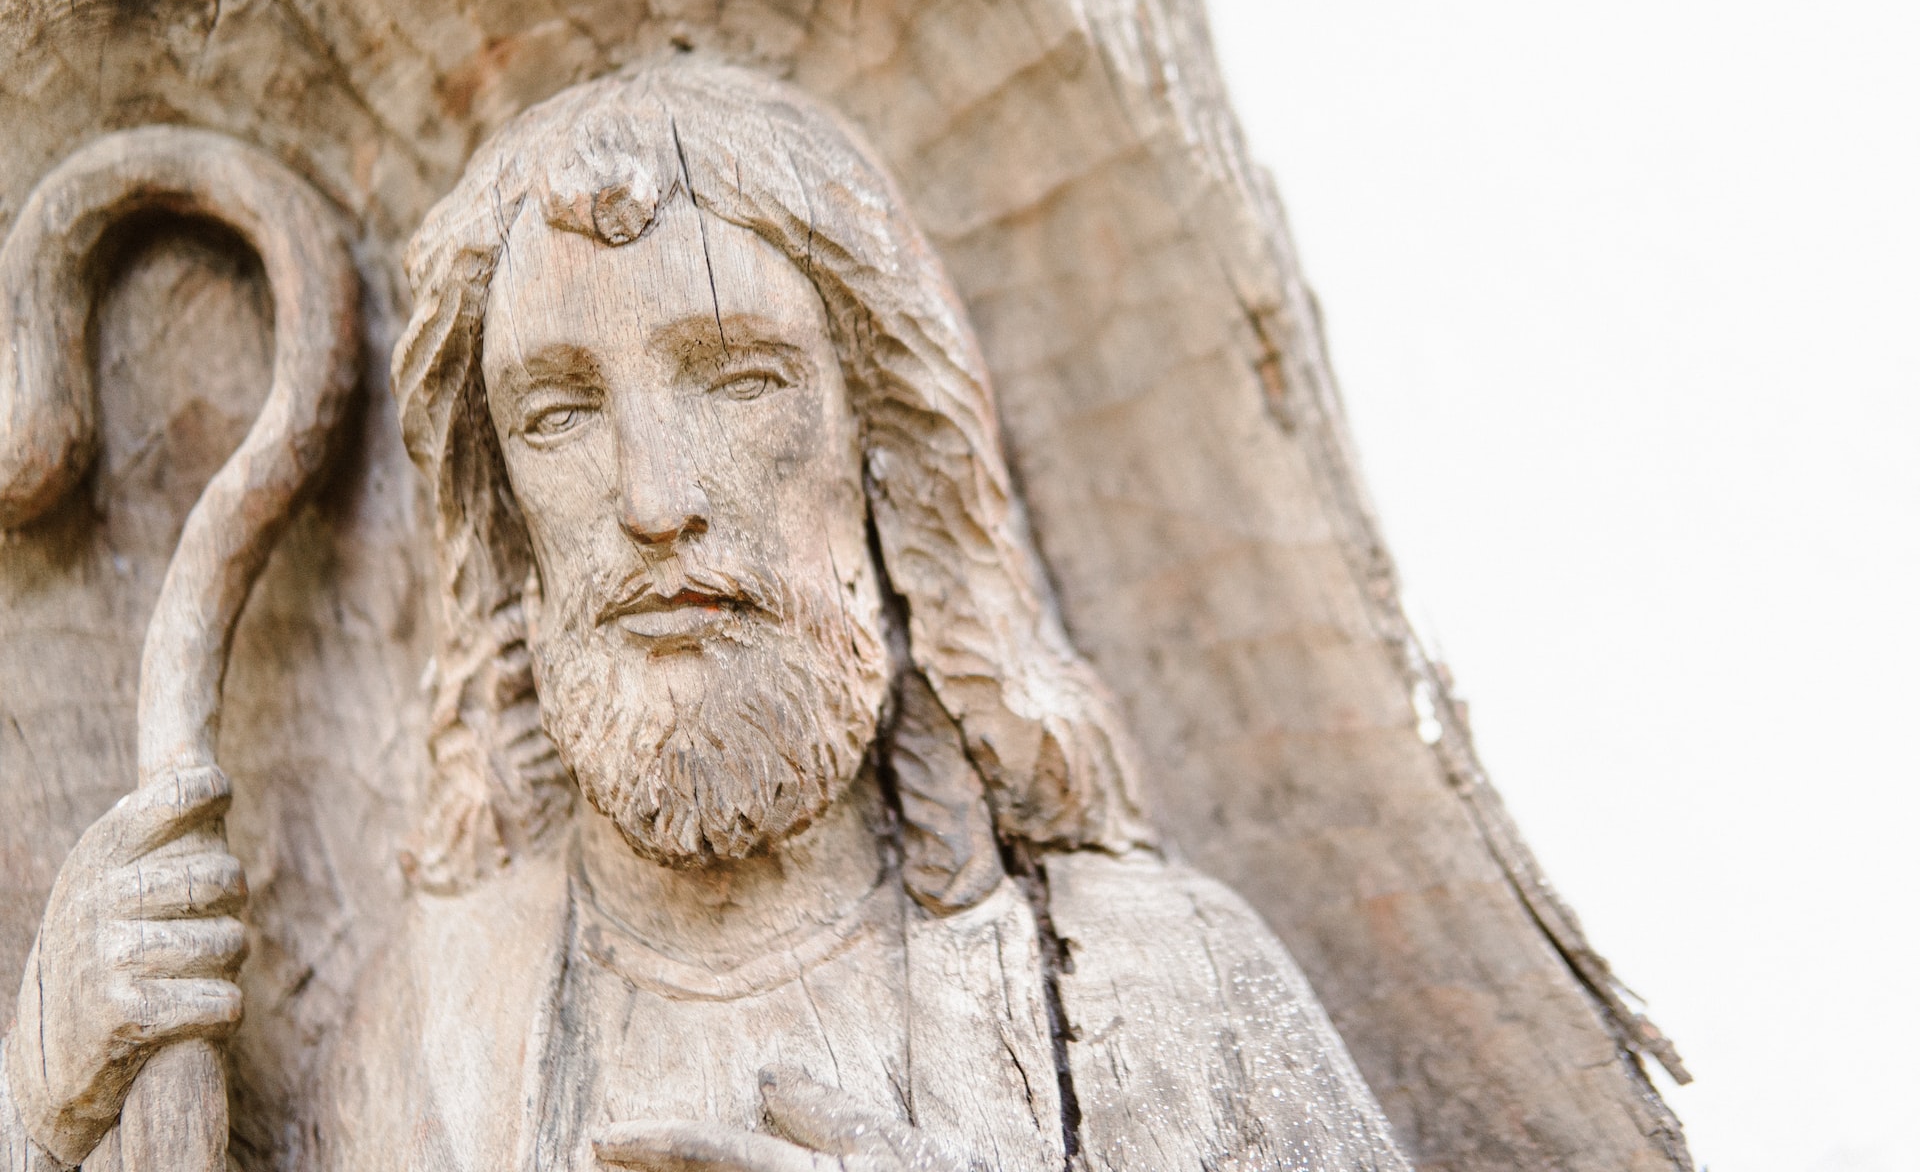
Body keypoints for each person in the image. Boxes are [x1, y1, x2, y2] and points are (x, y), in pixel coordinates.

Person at [4, 60, 1410, 1172]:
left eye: (737, 380)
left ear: (885, 449)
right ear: (505, 530)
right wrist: (56, 1120)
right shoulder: (436, 1024)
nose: (654, 500)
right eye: (558, 413)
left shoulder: (1165, 993)